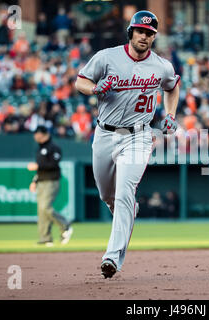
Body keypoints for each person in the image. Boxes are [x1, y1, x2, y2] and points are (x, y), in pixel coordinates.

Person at [74, 11, 180, 279]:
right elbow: (80, 82)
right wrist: (96, 89)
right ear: (131, 32)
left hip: (139, 135)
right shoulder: (107, 57)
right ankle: (128, 209)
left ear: (154, 37)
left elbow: (173, 86)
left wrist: (170, 115)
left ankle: (111, 257)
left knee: (124, 192)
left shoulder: (161, 65)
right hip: (105, 134)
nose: (144, 36)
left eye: (150, 33)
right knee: (107, 195)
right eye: (140, 31)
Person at [28, 125, 73, 246]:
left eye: (39, 135)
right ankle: (45, 238)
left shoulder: (54, 147)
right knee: (41, 211)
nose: (37, 137)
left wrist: (38, 167)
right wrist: (34, 181)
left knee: (45, 207)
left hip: (51, 181)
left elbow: (53, 164)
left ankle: (65, 225)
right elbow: (40, 169)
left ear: (45, 134)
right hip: (41, 181)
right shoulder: (39, 149)